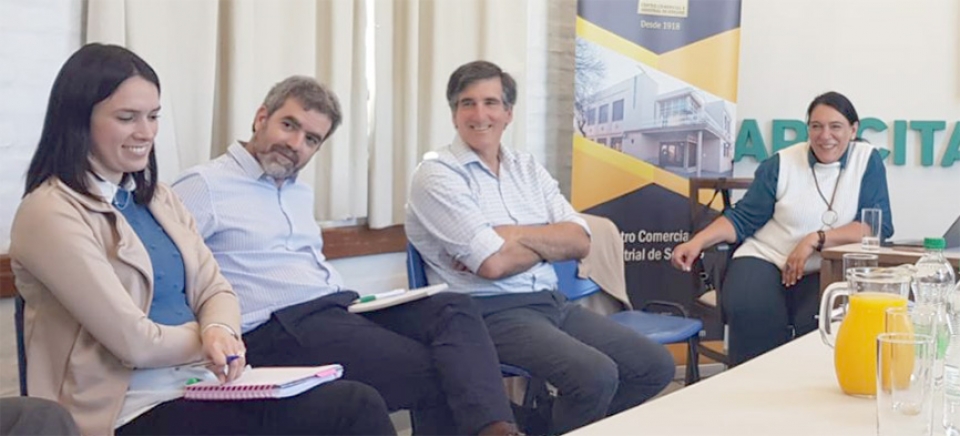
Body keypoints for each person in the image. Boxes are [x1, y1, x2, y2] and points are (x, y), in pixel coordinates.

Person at [9, 43, 395, 436]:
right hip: (127, 409)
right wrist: (214, 336)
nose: (146, 132)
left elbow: (217, 290)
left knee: (356, 402)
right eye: (127, 118)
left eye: (153, 116)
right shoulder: (49, 213)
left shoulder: (158, 198)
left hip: (200, 385)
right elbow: (133, 342)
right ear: (78, 120)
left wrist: (220, 329)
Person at [171, 76, 519, 436]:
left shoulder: (297, 192)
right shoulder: (204, 185)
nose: (295, 144)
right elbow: (163, 273)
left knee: (454, 308)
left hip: (340, 307)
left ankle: (498, 431)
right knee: (441, 370)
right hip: (276, 326)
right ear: (261, 118)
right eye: (288, 125)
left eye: (311, 139)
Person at [404, 60, 676, 434]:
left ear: (508, 113)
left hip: (550, 302)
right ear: (454, 114)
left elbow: (580, 241)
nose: (479, 114)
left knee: (654, 366)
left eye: (490, 102)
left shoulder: (526, 167)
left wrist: (509, 235)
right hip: (485, 313)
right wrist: (546, 240)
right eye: (468, 103)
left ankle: (544, 427)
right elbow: (491, 266)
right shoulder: (437, 174)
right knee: (595, 375)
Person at [671, 91, 894, 365]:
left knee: (818, 318)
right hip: (767, 256)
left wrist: (815, 239)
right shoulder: (781, 163)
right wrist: (697, 242)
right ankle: (753, 385)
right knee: (751, 307)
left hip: (825, 266)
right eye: (816, 126)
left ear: (853, 129)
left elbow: (876, 226)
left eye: (835, 126)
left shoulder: (867, 160)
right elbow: (743, 218)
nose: (825, 136)